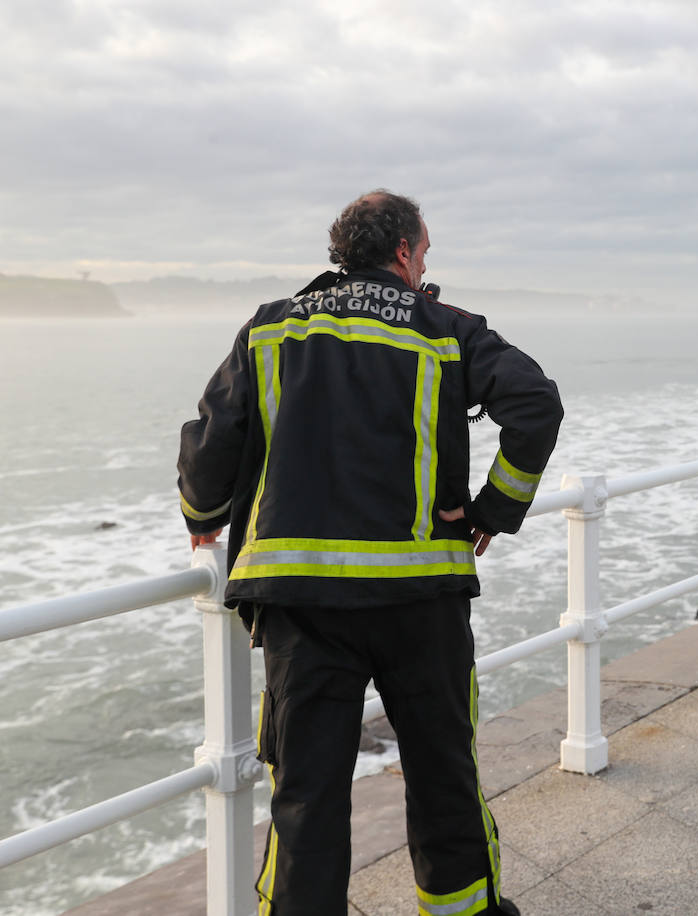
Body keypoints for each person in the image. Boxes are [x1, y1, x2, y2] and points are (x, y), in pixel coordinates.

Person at [177, 190, 562, 915]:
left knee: (307, 803)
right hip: (423, 602)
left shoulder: (270, 328)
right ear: (404, 253)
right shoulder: (448, 328)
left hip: (301, 605)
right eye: (425, 253)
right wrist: (493, 509)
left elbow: (209, 442)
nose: (424, 266)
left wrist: (203, 521)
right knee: (445, 779)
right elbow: (536, 403)